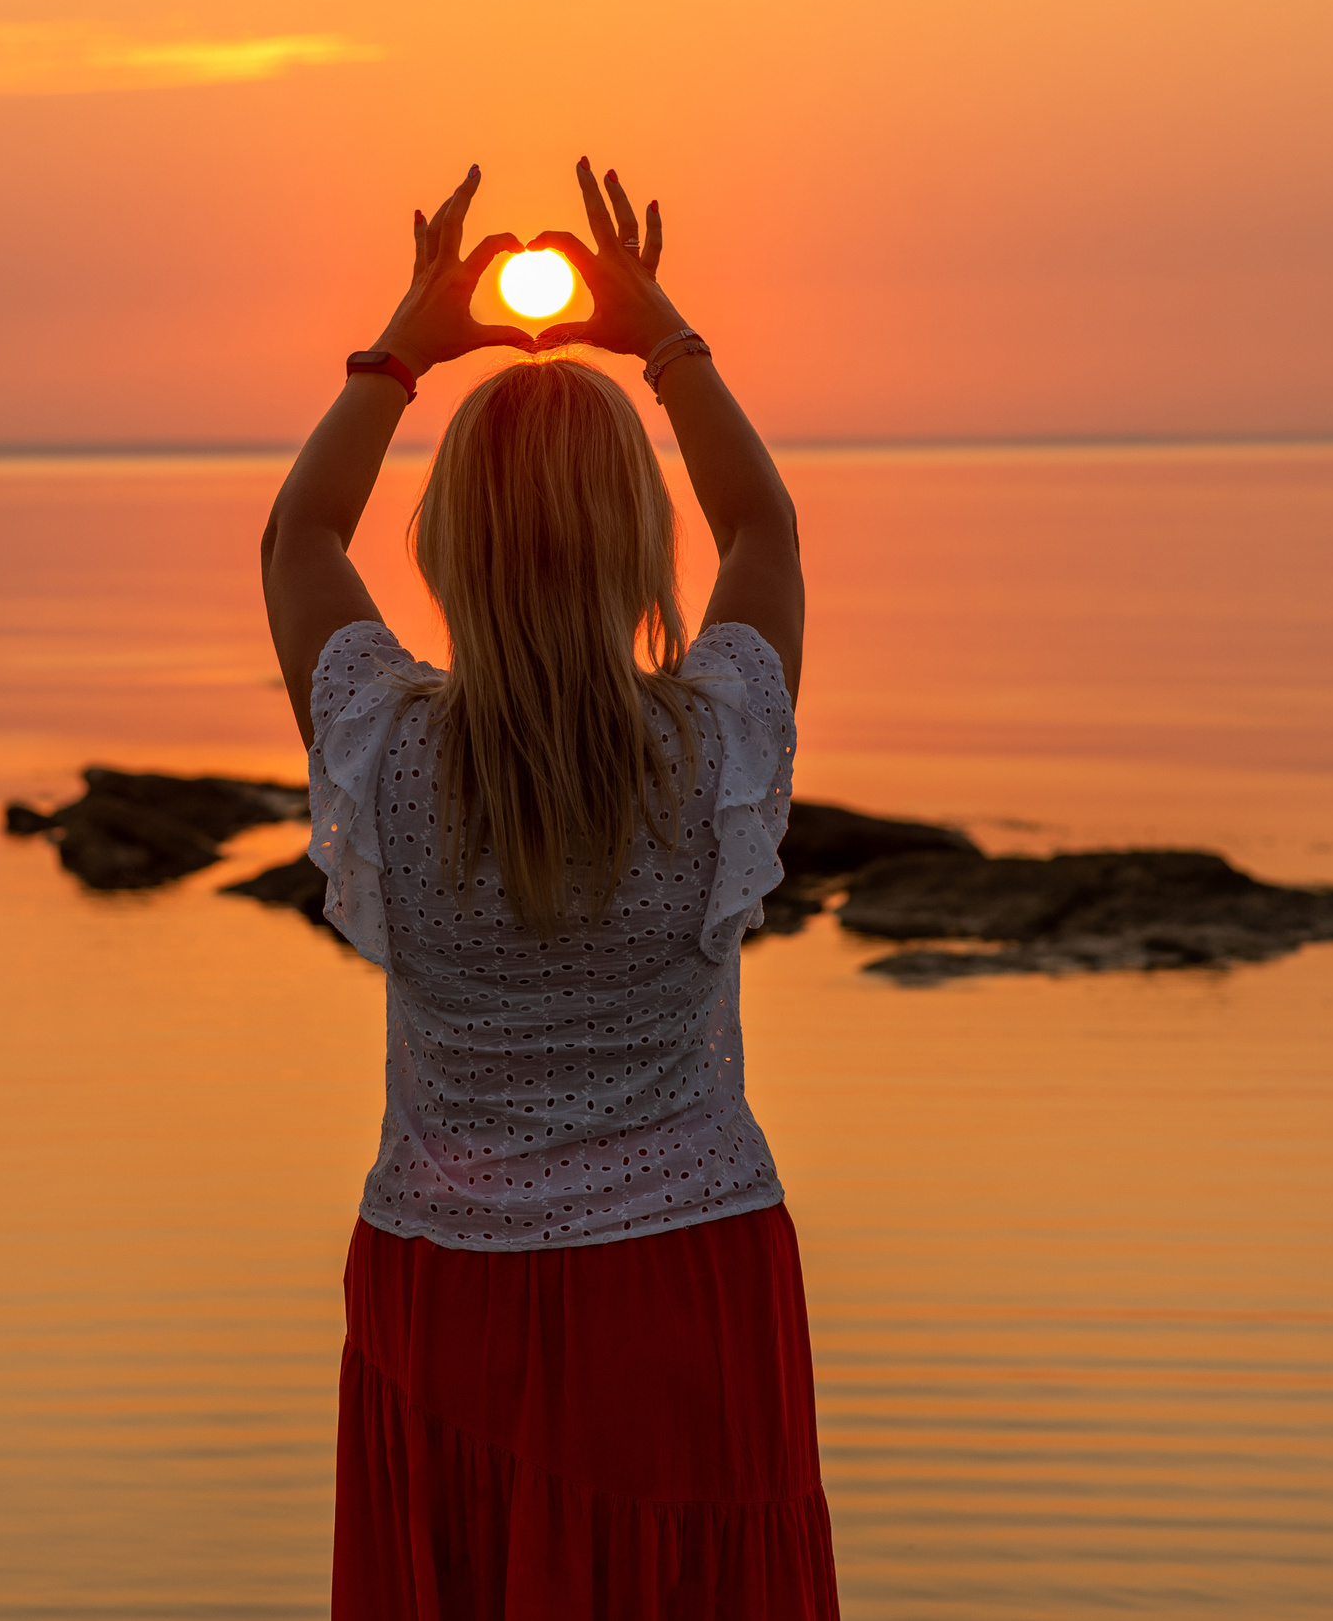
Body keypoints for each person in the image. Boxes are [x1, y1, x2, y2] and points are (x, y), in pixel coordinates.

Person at [261, 159, 835, 1620]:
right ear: (639, 541)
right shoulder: (715, 747)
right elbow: (763, 532)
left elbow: (300, 540)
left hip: (445, 1290)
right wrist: (663, 339)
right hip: (686, 1287)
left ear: (451, 540)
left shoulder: (385, 752)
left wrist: (404, 348)